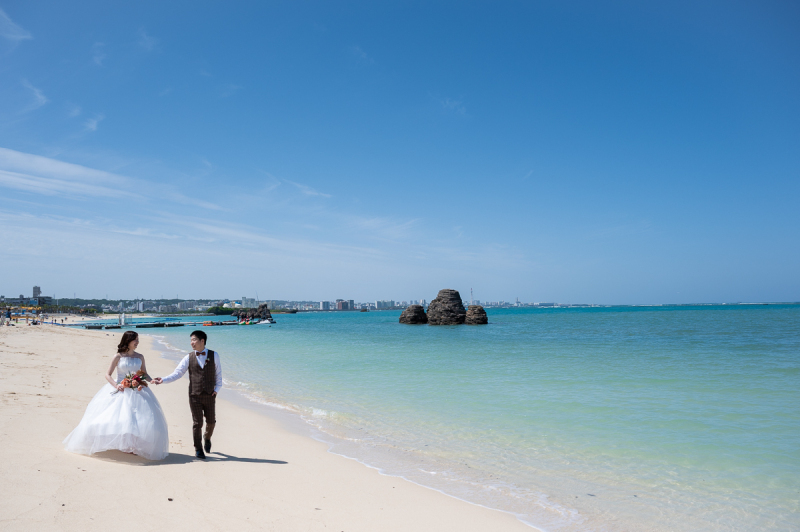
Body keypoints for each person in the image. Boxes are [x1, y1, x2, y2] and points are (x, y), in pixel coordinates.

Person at [63, 331, 169, 460]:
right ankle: (117, 443)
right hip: (121, 388)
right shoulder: (118, 356)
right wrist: (116, 385)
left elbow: (143, 374)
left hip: (137, 389)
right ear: (128, 340)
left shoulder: (140, 356)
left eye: (138, 340)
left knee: (138, 418)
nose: (137, 342)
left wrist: (151, 380)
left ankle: (133, 446)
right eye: (135, 340)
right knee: (118, 417)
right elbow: (107, 374)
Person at [154, 330, 222, 460]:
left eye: (194, 340)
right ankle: (198, 448)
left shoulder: (214, 355)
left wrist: (217, 389)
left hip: (209, 395)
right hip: (194, 395)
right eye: (191, 340)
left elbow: (219, 375)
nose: (192, 343)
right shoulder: (188, 357)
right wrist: (163, 379)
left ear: (202, 341)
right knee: (197, 423)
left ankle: (207, 437)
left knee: (211, 422)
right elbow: (178, 373)